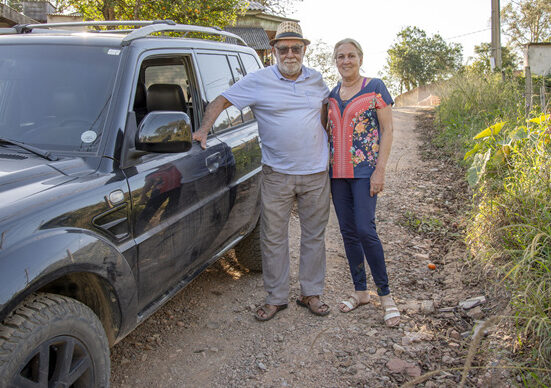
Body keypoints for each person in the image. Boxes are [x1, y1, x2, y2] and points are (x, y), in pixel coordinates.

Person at [193, 21, 331, 321]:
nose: (290, 53)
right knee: (273, 237)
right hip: (276, 174)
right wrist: (204, 130)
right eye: (284, 48)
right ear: (274, 51)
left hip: (316, 173)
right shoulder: (258, 80)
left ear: (304, 50)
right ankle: (276, 297)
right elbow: (221, 100)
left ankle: (311, 293)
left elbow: (326, 115)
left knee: (313, 236)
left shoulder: (317, 80)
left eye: (296, 48)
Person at [327, 38, 400, 326]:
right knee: (347, 232)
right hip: (338, 176)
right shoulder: (332, 95)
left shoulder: (375, 88)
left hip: (364, 172)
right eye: (341, 56)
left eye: (351, 55)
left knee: (365, 229)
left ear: (360, 58)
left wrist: (380, 170)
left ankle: (386, 296)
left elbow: (388, 129)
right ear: (335, 61)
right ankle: (360, 292)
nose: (346, 61)